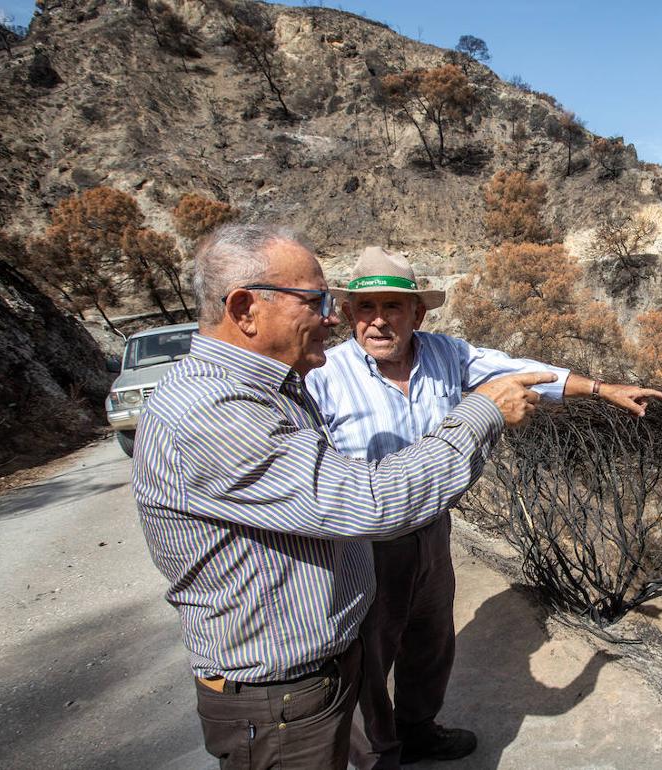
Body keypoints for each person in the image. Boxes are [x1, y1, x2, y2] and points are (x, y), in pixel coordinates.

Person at [131, 225, 552, 770]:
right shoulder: (215, 411)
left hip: (308, 677)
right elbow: (371, 502)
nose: (333, 319)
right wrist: (482, 412)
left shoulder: (272, 390)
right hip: (282, 697)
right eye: (315, 302)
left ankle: (411, 736)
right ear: (244, 309)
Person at [304, 246, 662, 768]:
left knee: (430, 639)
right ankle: (377, 756)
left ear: (417, 314)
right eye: (366, 307)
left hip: (432, 528)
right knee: (367, 655)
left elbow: (518, 371)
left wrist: (602, 388)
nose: (378, 320)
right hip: (363, 542)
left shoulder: (445, 354)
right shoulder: (324, 375)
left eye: (392, 307)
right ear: (349, 314)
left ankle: (418, 730)